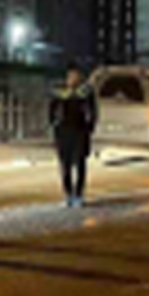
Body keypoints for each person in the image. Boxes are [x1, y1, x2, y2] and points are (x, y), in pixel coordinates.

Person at [49, 66, 99, 208]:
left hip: (80, 132)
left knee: (80, 164)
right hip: (63, 132)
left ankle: (78, 194)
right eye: (71, 76)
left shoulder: (85, 92)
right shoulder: (59, 92)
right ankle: (68, 194)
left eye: (76, 75)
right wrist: (54, 125)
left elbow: (93, 111)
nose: (73, 78)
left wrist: (90, 127)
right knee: (65, 166)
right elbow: (51, 110)